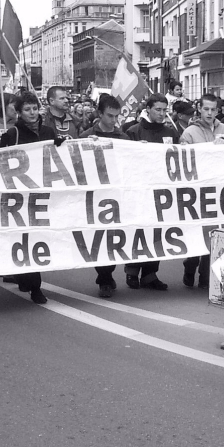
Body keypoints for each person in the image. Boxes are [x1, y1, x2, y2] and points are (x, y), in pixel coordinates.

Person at [0, 91, 56, 304]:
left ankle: (27, 278)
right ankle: (34, 286)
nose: (32, 113)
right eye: (27, 110)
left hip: (43, 193)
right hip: (19, 195)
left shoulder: (48, 131)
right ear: (19, 112)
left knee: (37, 237)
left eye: (35, 109)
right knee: (23, 237)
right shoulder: (13, 134)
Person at [179, 94, 224, 289]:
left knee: (215, 232)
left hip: (219, 190)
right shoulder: (189, 133)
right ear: (199, 110)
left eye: (213, 109)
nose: (210, 113)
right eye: (206, 109)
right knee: (198, 234)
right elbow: (183, 161)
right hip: (198, 192)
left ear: (218, 110)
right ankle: (190, 264)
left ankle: (206, 274)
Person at [124, 94, 178, 290]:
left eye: (165, 110)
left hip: (161, 191)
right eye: (158, 109)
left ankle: (150, 273)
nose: (162, 113)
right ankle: (132, 271)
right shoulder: (133, 131)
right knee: (138, 231)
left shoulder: (171, 132)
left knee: (157, 233)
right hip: (138, 190)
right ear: (148, 109)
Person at [80, 94, 131, 298]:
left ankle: (107, 275)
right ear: (100, 114)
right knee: (99, 238)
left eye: (117, 116)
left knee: (114, 238)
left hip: (116, 195)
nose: (114, 120)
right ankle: (105, 277)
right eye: (110, 116)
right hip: (95, 195)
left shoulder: (123, 138)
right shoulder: (86, 136)